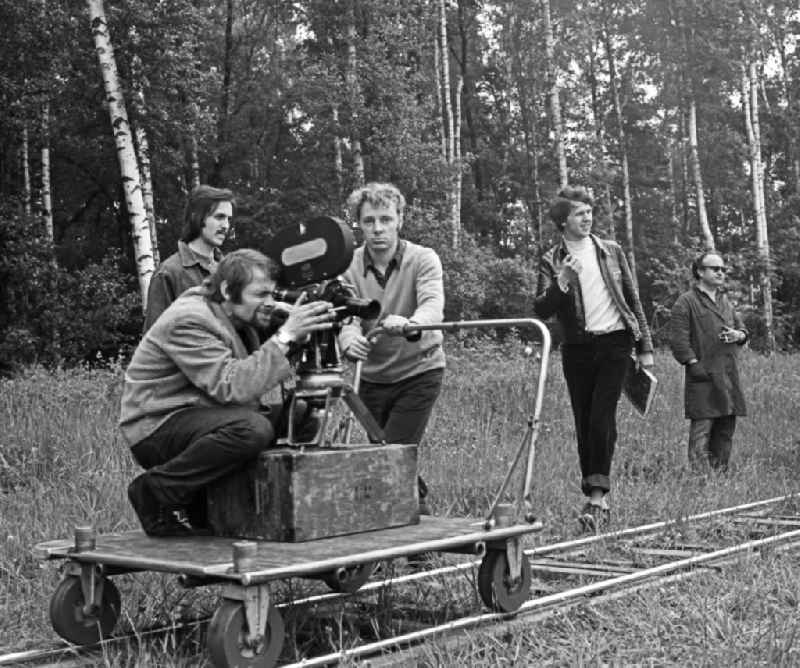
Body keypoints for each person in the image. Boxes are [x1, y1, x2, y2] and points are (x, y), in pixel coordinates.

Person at [120, 249, 336, 537]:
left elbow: (254, 369)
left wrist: (297, 337)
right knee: (251, 429)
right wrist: (286, 336)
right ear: (226, 289)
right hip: (156, 427)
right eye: (260, 295)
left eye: (272, 294)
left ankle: (246, 505)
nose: (269, 303)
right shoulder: (190, 320)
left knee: (302, 413)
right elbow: (233, 386)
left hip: (200, 415)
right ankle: (155, 492)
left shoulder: (231, 314)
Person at [532, 185, 654, 532]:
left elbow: (633, 299)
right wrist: (563, 282)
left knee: (602, 417)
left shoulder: (611, 251)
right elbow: (540, 308)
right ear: (563, 221)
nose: (588, 218)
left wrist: (645, 347)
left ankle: (598, 497)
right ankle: (594, 492)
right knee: (584, 421)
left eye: (589, 212)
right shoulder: (550, 260)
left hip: (616, 343)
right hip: (577, 348)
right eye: (580, 213)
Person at [338, 182, 445, 514]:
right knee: (390, 459)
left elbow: (432, 306)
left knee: (392, 455)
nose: (378, 228)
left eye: (386, 219)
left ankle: (417, 550)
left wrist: (411, 323)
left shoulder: (423, 259)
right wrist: (347, 337)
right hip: (371, 379)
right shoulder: (348, 266)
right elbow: (346, 315)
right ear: (359, 223)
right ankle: (417, 540)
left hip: (419, 370)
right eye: (369, 221)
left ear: (400, 219)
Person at [668, 250, 748, 472]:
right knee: (702, 430)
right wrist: (694, 365)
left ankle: (720, 478)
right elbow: (678, 341)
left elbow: (742, 330)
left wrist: (738, 335)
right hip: (703, 376)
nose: (721, 273)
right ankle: (700, 481)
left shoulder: (725, 301)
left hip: (728, 375)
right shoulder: (685, 302)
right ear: (700, 272)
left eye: (723, 269)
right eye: (715, 269)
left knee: (725, 428)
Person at [143, 185, 234, 331]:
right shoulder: (169, 273)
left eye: (228, 219)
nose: (226, 225)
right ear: (196, 217)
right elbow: (153, 338)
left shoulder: (229, 270)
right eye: (219, 217)